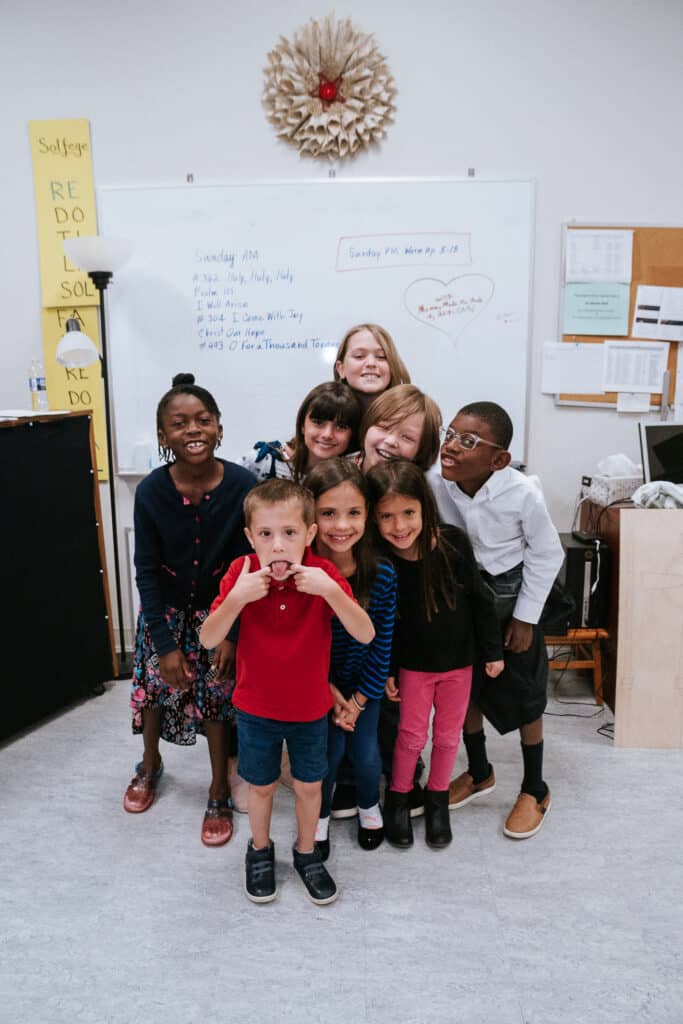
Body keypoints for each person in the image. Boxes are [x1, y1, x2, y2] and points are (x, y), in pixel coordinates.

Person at [199, 478, 375, 905]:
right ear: (250, 537)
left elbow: (365, 633)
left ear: (310, 534)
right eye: (266, 534)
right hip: (255, 709)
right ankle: (259, 849)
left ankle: (306, 853)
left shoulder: (323, 575)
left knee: (310, 786)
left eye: (290, 533)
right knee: (259, 787)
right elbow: (207, 639)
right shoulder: (240, 573)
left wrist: (330, 590)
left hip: (309, 710)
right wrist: (237, 599)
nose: (277, 545)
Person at [125, 373, 255, 848]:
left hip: (221, 613)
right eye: (178, 423)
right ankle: (150, 762)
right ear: (163, 436)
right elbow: (145, 572)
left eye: (203, 420)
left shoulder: (244, 484)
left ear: (219, 428)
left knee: (218, 697)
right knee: (155, 690)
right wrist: (163, 644)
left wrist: (232, 633)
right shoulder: (152, 493)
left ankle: (218, 788)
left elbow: (247, 566)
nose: (193, 430)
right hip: (167, 612)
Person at [430, 401, 564, 839]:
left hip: (510, 598)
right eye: (450, 434)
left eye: (467, 441)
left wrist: (526, 618)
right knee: (464, 686)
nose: (450, 446)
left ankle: (535, 786)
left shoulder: (522, 492)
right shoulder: (437, 482)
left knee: (523, 691)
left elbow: (547, 553)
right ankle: (480, 771)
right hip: (463, 595)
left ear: (498, 460)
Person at [367, 459, 503, 849]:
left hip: (459, 665)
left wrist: (493, 651)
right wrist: (389, 670)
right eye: (387, 516)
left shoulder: (453, 542)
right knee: (410, 737)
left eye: (408, 513)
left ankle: (437, 799)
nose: (400, 526)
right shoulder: (381, 561)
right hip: (413, 668)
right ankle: (398, 797)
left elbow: (480, 600)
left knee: (446, 738)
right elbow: (384, 624)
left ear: (424, 506)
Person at [305, 458, 397, 858]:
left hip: (365, 688)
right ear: (311, 519)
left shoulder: (382, 574)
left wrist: (359, 701)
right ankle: (318, 818)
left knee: (365, 754)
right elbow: (301, 648)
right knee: (327, 756)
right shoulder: (302, 574)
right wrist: (327, 692)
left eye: (354, 513)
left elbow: (382, 646)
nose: (341, 525)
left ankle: (368, 807)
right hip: (315, 688)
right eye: (328, 514)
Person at [240, 381, 361, 483]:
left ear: (352, 434)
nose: (327, 434)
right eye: (318, 423)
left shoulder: (355, 473)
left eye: (341, 426)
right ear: (302, 425)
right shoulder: (262, 462)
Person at [357, 383, 442, 474]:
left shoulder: (427, 487)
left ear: (421, 451)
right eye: (384, 427)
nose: (390, 441)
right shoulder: (341, 471)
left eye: (407, 437)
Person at [334, 323, 411, 413]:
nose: (371, 363)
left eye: (381, 357)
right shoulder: (328, 418)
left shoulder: (412, 416)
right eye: (359, 356)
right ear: (341, 369)